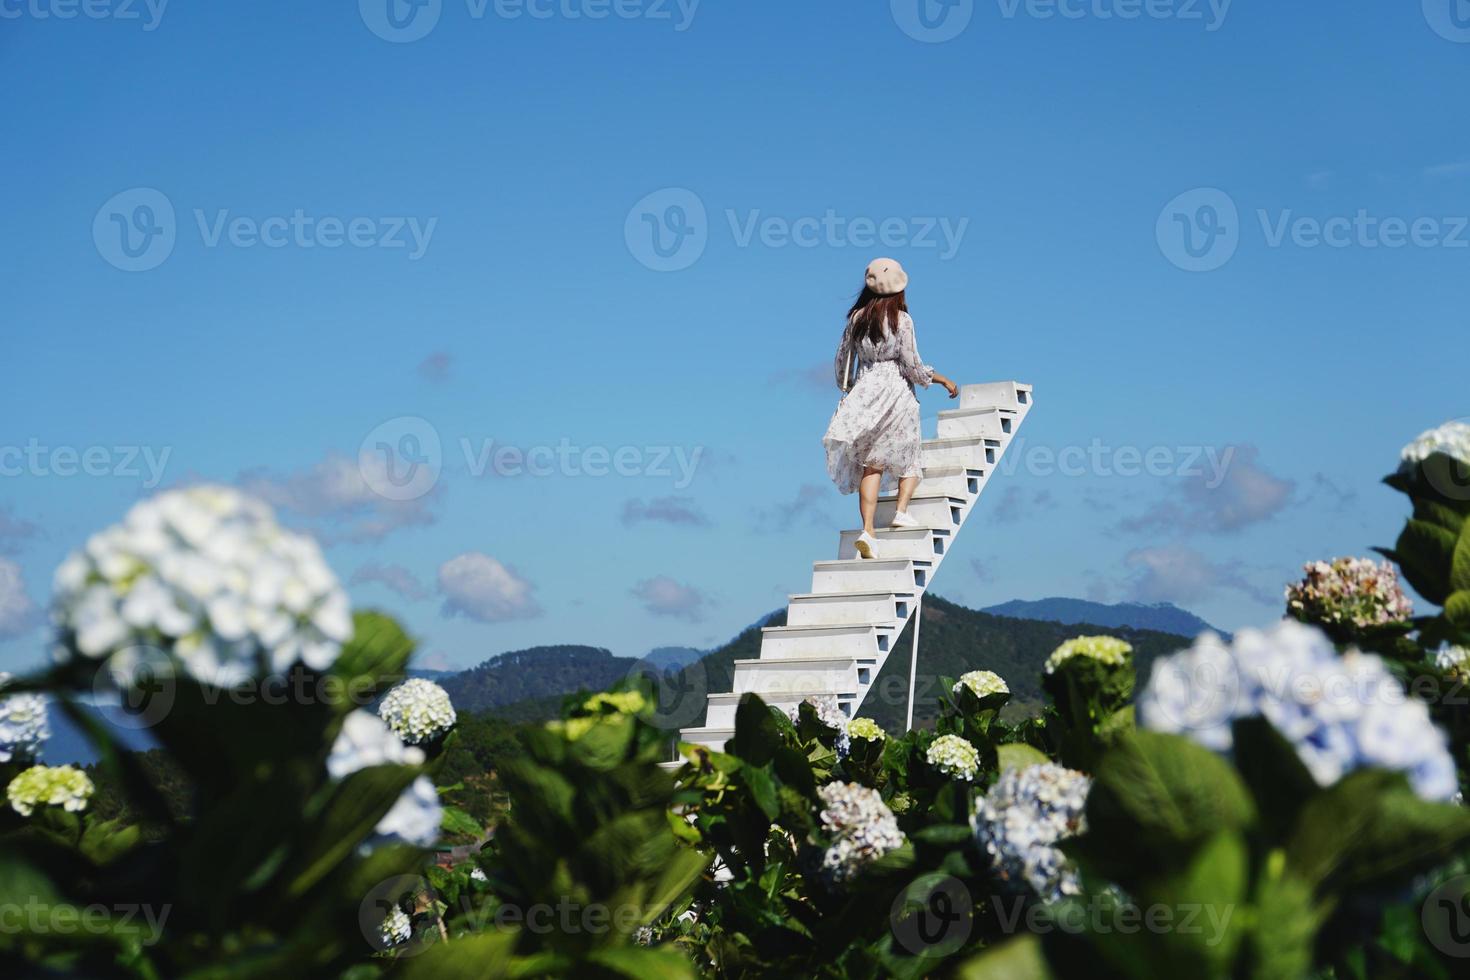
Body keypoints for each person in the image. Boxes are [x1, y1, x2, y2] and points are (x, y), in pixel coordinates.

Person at [822, 258, 958, 559]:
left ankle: (868, 530)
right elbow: (912, 365)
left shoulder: (856, 318)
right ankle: (900, 510)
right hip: (896, 392)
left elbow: (841, 361)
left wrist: (848, 389)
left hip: (865, 391)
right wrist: (941, 379)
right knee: (910, 454)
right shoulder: (902, 320)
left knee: (872, 464)